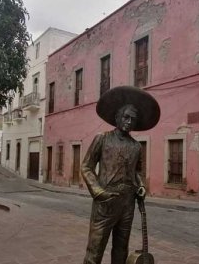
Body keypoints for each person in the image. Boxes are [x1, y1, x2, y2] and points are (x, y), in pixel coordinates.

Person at [81, 86, 160, 264]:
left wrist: (140, 186)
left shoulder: (136, 147)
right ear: (117, 117)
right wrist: (98, 191)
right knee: (95, 249)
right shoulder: (102, 138)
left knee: (121, 249)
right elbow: (86, 166)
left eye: (133, 119)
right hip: (105, 202)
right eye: (126, 117)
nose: (129, 122)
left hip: (127, 204)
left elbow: (136, 172)